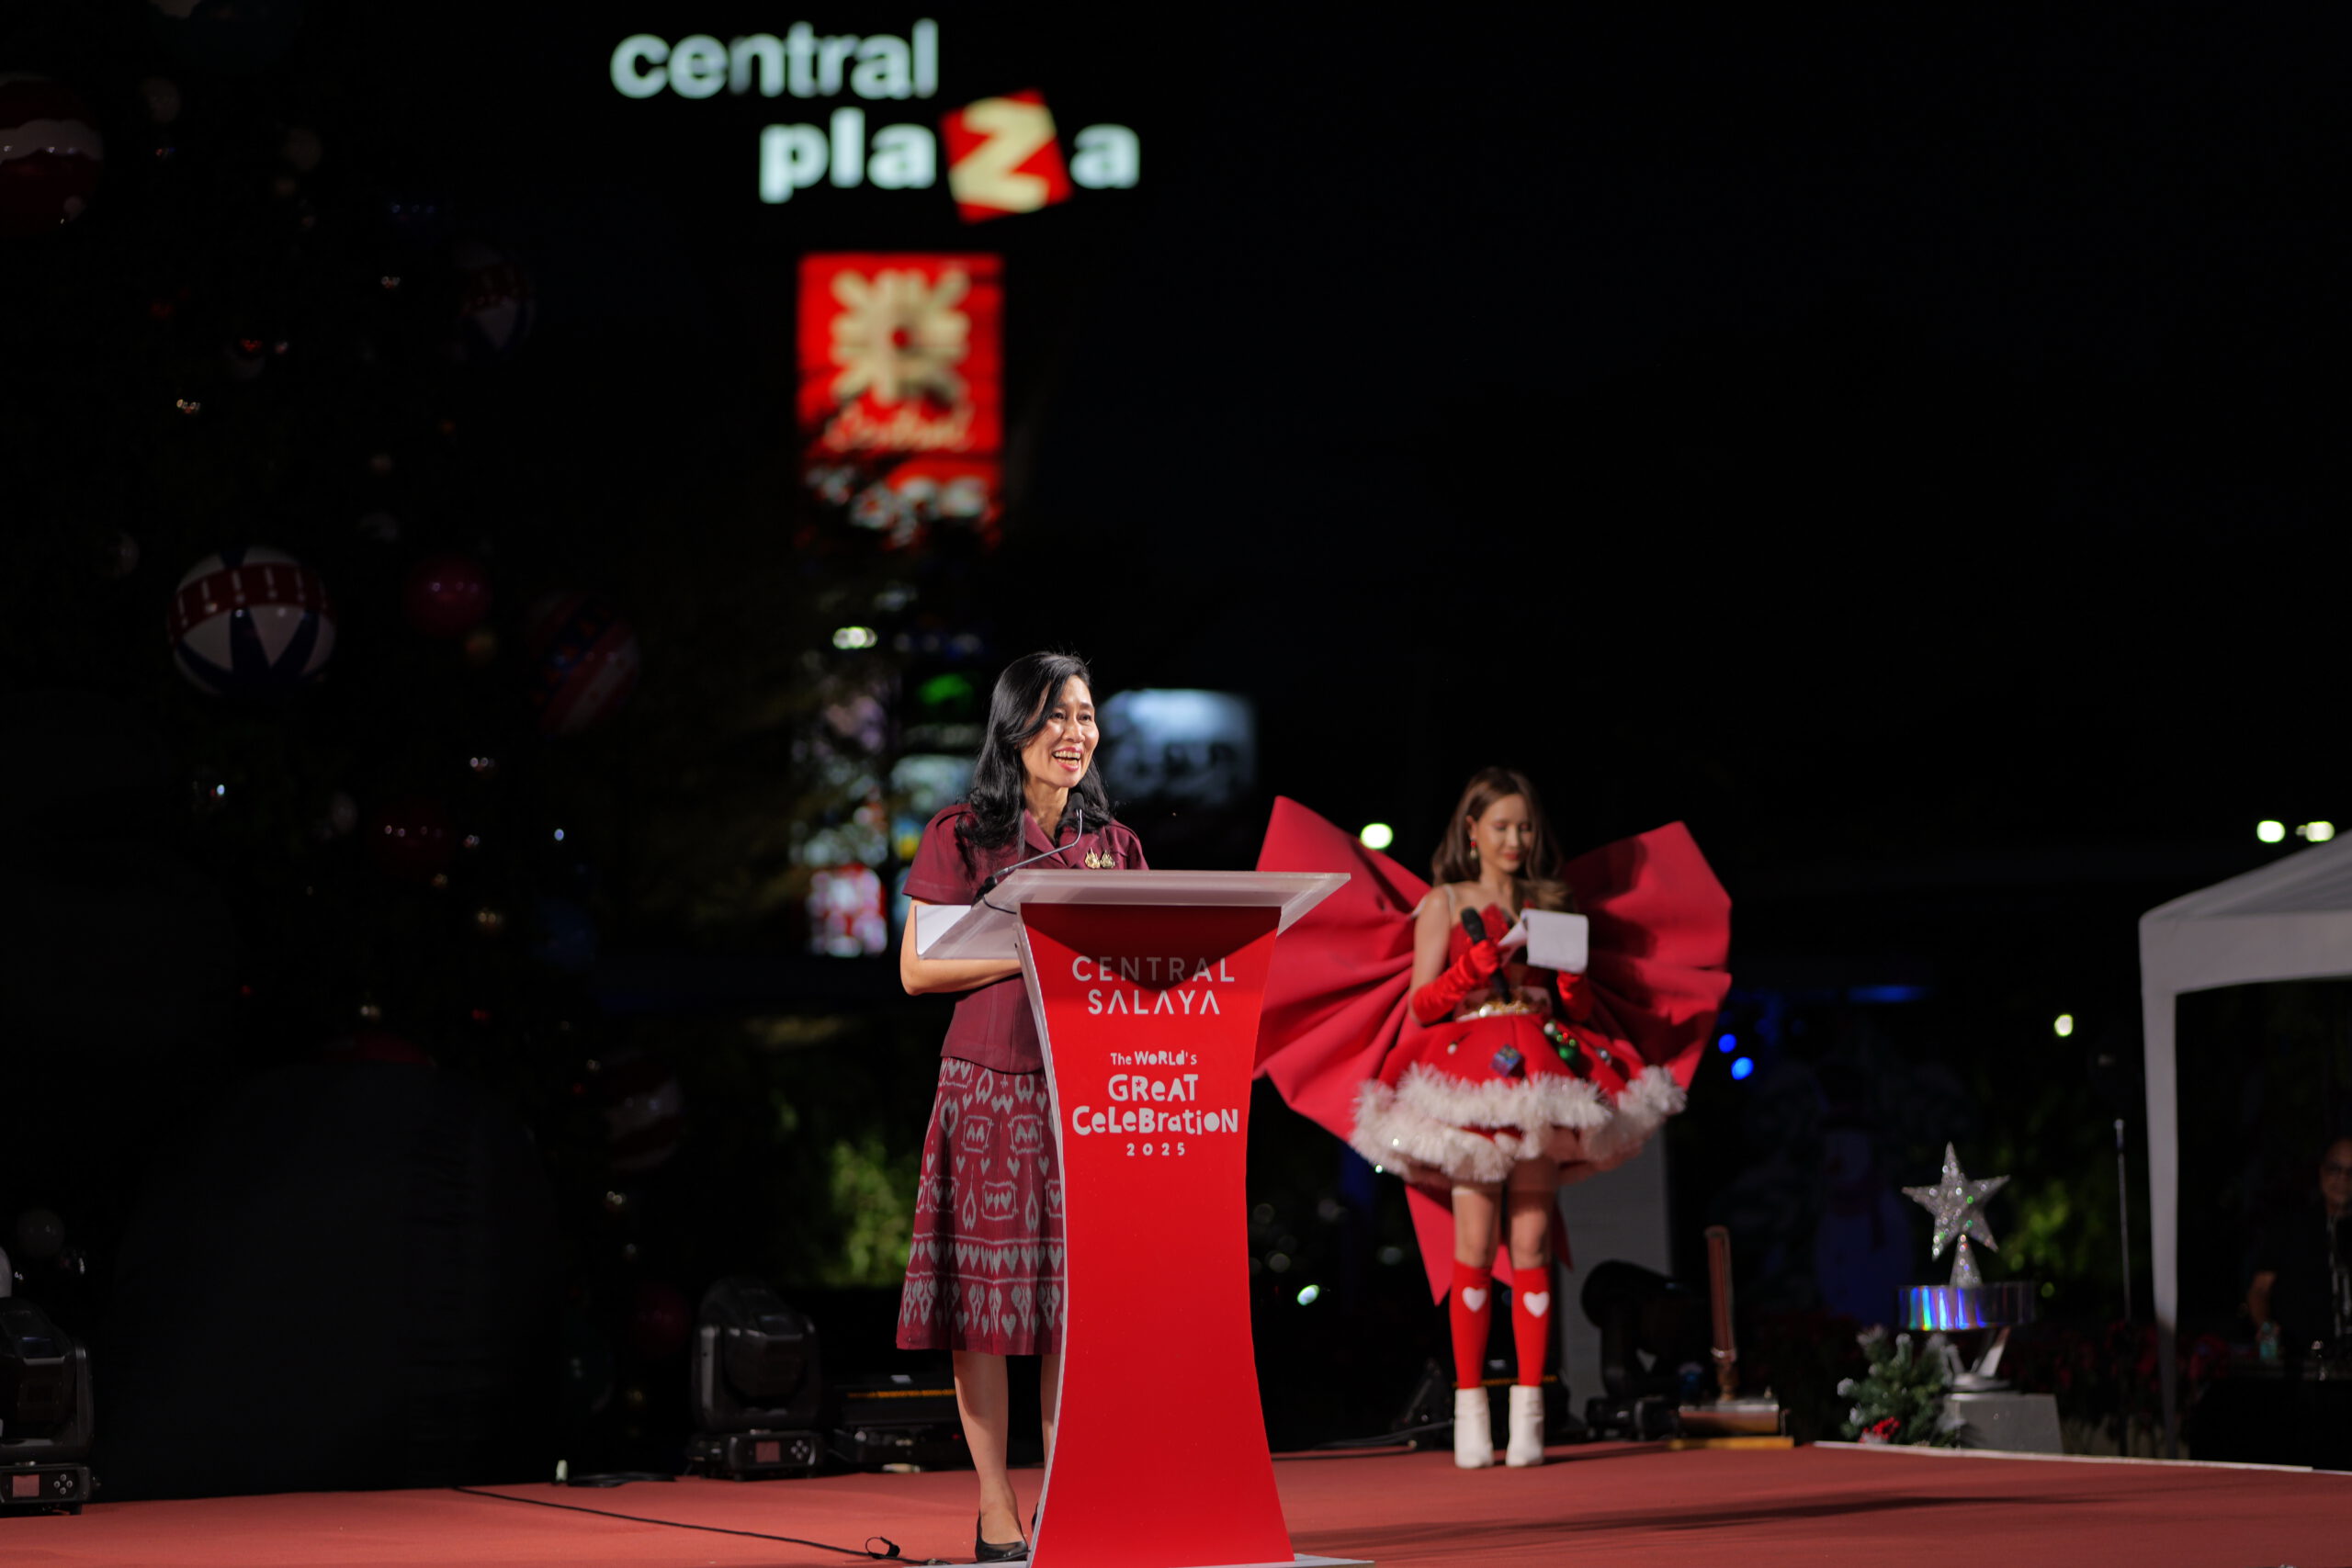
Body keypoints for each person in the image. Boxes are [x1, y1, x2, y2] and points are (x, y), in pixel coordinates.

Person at [1252, 774, 1730, 1472]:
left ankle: (1530, 1411)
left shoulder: (1551, 902)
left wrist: (1571, 983)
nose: (1515, 840)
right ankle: (1472, 1405)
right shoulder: (1444, 901)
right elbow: (1421, 1003)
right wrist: (1465, 973)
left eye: (1525, 827)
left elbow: (1578, 1009)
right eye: (1502, 826)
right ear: (1471, 831)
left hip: (1539, 1079)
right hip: (1468, 1079)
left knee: (1531, 1244)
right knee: (1473, 1246)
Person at [895, 651, 1145, 1562]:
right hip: (987, 1083)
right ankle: (996, 1502)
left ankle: (1067, 1493)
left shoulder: (1115, 846)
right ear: (1013, 730)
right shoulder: (961, 833)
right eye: (1055, 717)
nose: (1075, 734)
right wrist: (1034, 947)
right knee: (987, 1311)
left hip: (1084, 1095)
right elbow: (918, 970)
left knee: (1071, 1309)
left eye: (1085, 716)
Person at [2246, 1135, 2352, 1361]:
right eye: (2335, 1169)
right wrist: (2266, 1328)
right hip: (2302, 1361)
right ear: (2322, 1171)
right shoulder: (2290, 1227)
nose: (2343, 1178)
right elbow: (2259, 1289)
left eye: (2350, 1172)